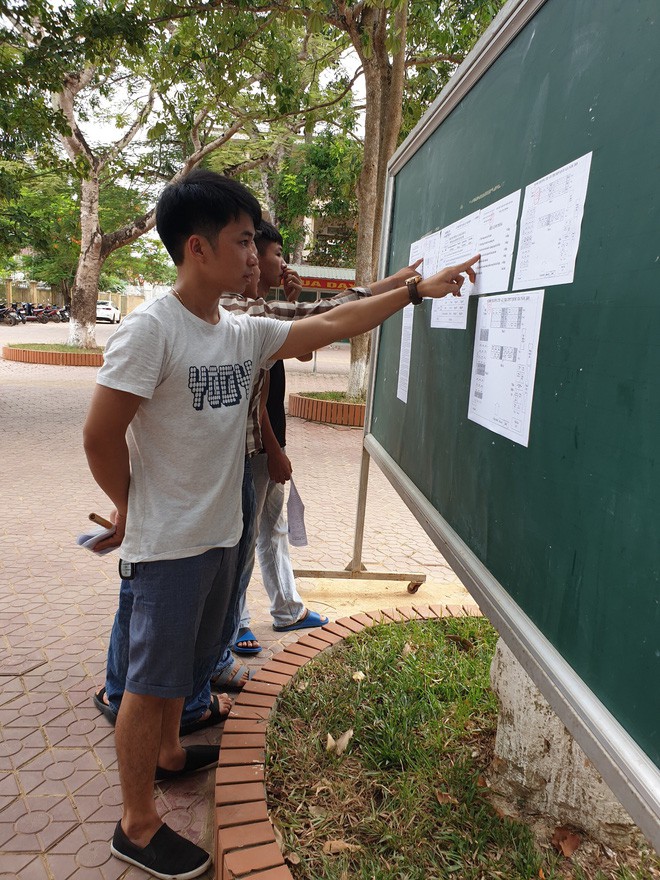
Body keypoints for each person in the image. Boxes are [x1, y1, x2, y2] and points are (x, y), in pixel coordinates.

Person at [83, 167, 478, 879]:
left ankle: (172, 755)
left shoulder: (239, 331)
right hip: (168, 543)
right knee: (147, 682)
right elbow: (99, 435)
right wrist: (127, 503)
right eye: (241, 241)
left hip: (219, 533)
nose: (253, 254)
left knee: (185, 668)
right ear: (197, 248)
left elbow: (327, 323)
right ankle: (136, 825)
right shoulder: (151, 330)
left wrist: (413, 290)